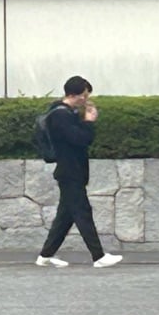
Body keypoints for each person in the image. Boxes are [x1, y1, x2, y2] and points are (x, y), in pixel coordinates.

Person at [35, 76, 123, 269]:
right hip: (69, 172)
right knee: (83, 212)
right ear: (75, 94)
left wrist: (84, 121)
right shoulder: (60, 115)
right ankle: (98, 256)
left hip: (72, 171)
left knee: (65, 217)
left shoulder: (66, 113)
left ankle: (45, 256)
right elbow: (80, 139)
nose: (86, 99)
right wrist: (89, 122)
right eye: (84, 95)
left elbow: (79, 138)